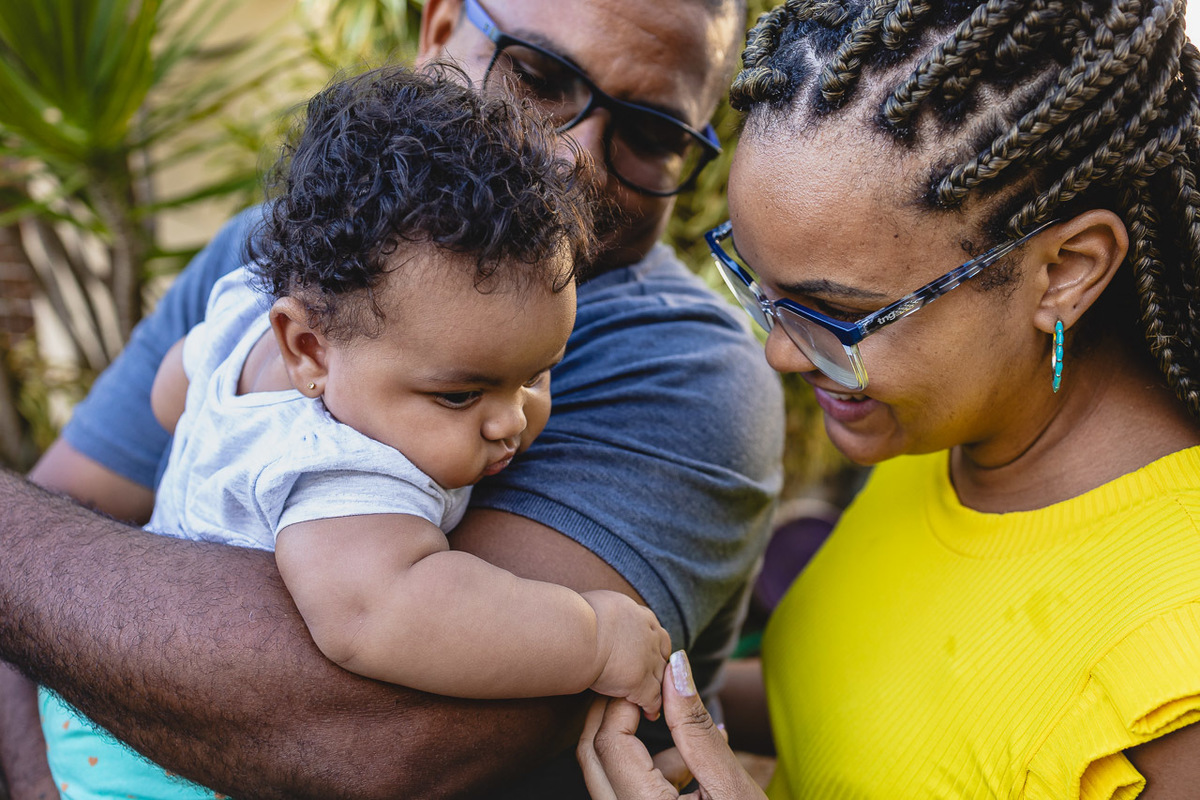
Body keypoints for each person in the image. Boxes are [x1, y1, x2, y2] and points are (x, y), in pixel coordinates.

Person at [0, 0, 783, 798]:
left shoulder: (255, 301)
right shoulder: (350, 469)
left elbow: (380, 736)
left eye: (653, 133)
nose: (574, 161)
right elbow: (388, 616)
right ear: (440, 31)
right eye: (537, 78)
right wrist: (593, 635)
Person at [578, 0, 1200, 796]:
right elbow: (875, 704)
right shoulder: (951, 428)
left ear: (1067, 270)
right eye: (758, 288)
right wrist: (644, 692)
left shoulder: (1172, 665)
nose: (779, 351)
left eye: (836, 314)